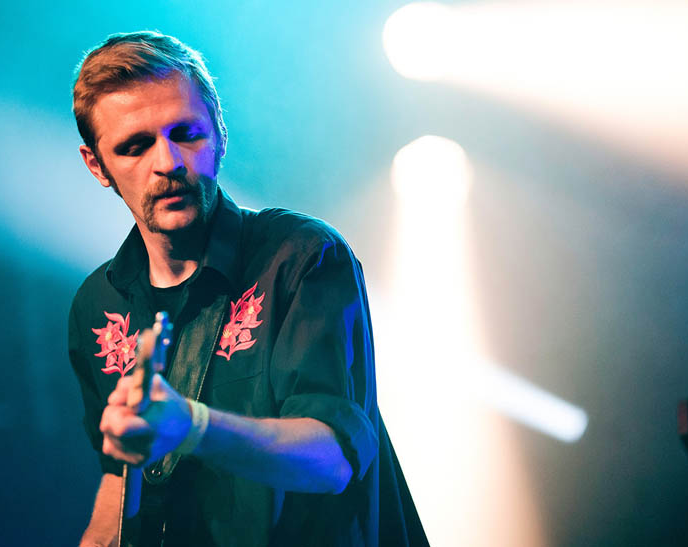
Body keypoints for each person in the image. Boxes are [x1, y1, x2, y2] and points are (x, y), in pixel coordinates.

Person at [68, 30, 426, 547]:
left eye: (186, 133)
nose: (167, 163)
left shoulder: (301, 255)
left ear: (220, 134)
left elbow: (333, 459)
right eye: (135, 146)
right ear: (96, 164)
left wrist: (191, 426)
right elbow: (118, 478)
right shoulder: (97, 306)